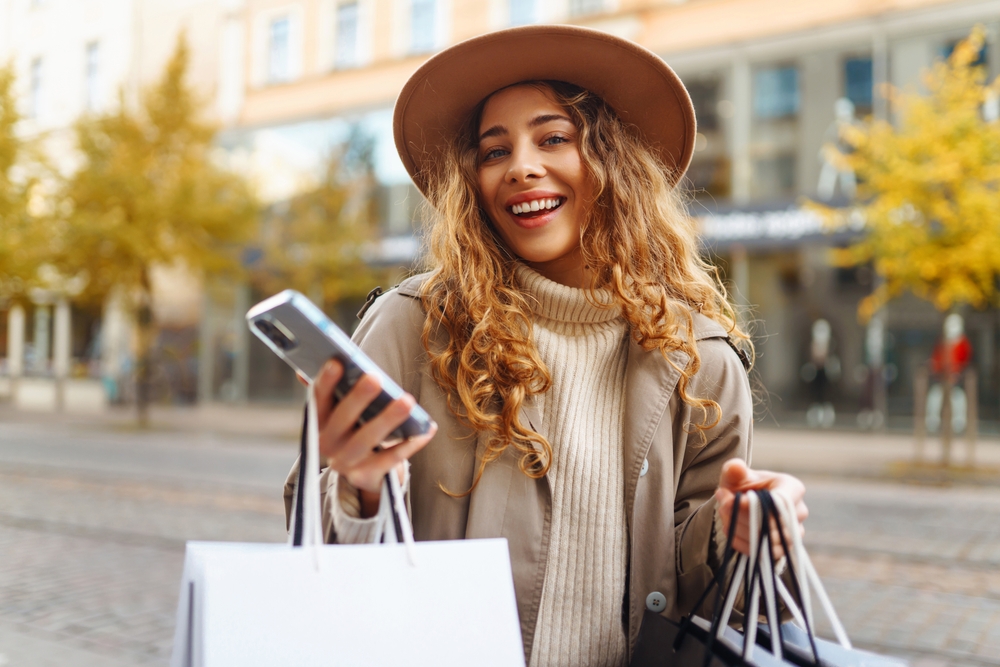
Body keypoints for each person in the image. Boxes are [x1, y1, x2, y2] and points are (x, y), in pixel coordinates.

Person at [283, 24, 808, 667]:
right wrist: (357, 488)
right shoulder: (413, 325)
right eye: (493, 150)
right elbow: (310, 559)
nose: (522, 166)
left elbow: (695, 601)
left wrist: (738, 530)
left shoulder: (701, 358)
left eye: (554, 138)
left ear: (614, 164)